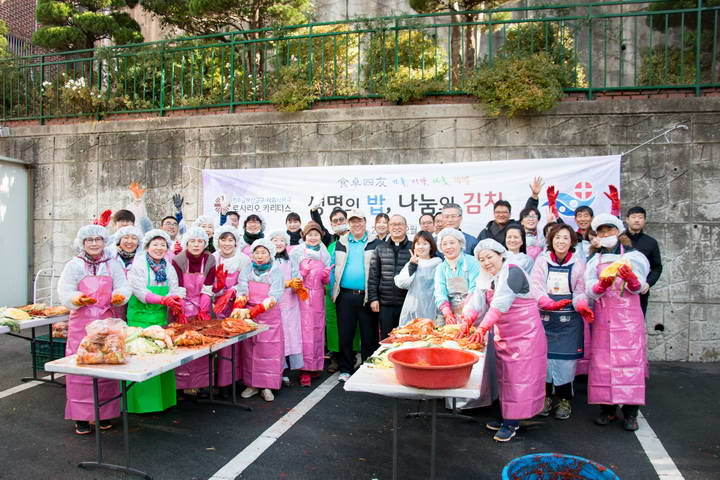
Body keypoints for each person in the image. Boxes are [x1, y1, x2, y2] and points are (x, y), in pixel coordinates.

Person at [459, 239, 547, 442]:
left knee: (519, 378)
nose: (486, 262)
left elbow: (500, 303)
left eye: (489, 257)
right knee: (505, 377)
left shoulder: (513, 270)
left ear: (501, 254)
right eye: (481, 259)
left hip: (525, 335)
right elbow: (477, 301)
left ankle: (512, 422)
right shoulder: (487, 277)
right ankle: (507, 415)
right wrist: (467, 319)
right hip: (504, 334)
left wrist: (482, 327)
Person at [57, 225, 130, 435]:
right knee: (80, 369)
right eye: (89, 240)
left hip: (107, 322)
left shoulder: (113, 264)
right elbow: (65, 290)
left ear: (104, 241)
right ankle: (81, 416)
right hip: (81, 323)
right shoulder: (74, 265)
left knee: (107, 366)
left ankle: (104, 414)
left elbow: (123, 286)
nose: (94, 243)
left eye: (98, 239)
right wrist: (76, 299)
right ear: (82, 243)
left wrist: (119, 296)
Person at [585, 213, 650, 431]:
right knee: (604, 365)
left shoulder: (634, 257)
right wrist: (600, 286)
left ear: (618, 231)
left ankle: (631, 413)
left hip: (629, 321)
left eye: (609, 230)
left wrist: (631, 278)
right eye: (601, 232)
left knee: (630, 365)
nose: (605, 235)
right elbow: (589, 290)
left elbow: (640, 286)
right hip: (604, 319)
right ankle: (608, 410)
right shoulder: (594, 260)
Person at [530, 224, 593, 421]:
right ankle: (546, 397)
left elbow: (582, 289)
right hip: (546, 318)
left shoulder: (579, 263)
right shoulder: (541, 261)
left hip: (569, 319)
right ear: (551, 240)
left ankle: (564, 399)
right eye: (557, 237)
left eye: (565, 237)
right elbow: (536, 286)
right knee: (545, 361)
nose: (561, 241)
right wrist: (546, 302)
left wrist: (581, 304)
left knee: (566, 363)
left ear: (572, 241)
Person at [126, 229, 184, 413]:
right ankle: (140, 404)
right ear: (147, 246)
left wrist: (174, 301)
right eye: (155, 244)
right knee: (140, 357)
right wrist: (162, 300)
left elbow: (174, 288)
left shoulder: (168, 266)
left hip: (160, 317)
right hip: (140, 318)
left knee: (162, 358)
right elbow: (139, 291)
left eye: (162, 245)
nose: (159, 248)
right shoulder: (139, 265)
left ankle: (162, 401)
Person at [233, 239, 285, 402]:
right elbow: (242, 288)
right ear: (252, 254)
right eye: (256, 252)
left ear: (270, 254)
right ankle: (252, 384)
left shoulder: (276, 271)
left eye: (263, 252)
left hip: (269, 315)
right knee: (250, 350)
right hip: (249, 315)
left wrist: (258, 309)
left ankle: (268, 385)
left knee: (269, 351)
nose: (260, 256)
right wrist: (240, 304)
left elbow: (275, 295)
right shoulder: (248, 268)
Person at [332, 209, 378, 382]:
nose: (356, 224)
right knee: (345, 334)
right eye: (352, 221)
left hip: (367, 296)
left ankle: (367, 368)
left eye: (359, 221)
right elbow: (333, 267)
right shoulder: (341, 242)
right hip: (344, 296)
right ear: (348, 224)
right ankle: (345, 368)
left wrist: (375, 296)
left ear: (365, 222)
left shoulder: (375, 242)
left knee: (368, 335)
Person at [171, 226, 216, 393]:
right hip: (182, 303)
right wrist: (181, 310)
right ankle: (181, 385)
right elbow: (178, 286)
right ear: (186, 242)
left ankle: (200, 382)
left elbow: (208, 285)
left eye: (200, 241)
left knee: (201, 344)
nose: (196, 245)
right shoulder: (178, 259)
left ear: (205, 243)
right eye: (192, 241)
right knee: (183, 344)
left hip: (201, 307)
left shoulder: (210, 259)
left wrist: (204, 307)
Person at [291, 222, 332, 387]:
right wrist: (301, 273)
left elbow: (327, 277)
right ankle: (304, 370)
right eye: (310, 234)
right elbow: (292, 275)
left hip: (318, 298)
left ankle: (315, 366)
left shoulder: (324, 252)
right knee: (303, 334)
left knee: (317, 332)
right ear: (304, 236)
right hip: (302, 297)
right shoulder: (296, 252)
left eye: (316, 234)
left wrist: (326, 276)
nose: (313, 237)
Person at [211, 225, 250, 390]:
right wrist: (217, 289)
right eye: (223, 239)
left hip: (236, 307)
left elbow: (246, 283)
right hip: (217, 306)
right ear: (217, 241)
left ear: (236, 242)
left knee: (236, 342)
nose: (226, 243)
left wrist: (233, 291)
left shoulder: (243, 259)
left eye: (230, 240)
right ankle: (219, 382)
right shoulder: (212, 258)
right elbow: (207, 283)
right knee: (219, 342)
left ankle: (235, 379)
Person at [368, 215, 412, 339]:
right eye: (393, 224)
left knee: (407, 339)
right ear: (388, 227)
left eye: (400, 224)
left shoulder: (414, 248)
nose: (396, 227)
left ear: (406, 227)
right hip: (385, 304)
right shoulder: (380, 248)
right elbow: (373, 276)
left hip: (407, 303)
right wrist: (373, 299)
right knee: (387, 339)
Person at [269, 231, 304, 386]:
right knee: (275, 337)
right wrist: (285, 283)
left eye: (281, 240)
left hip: (290, 303)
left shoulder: (291, 260)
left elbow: (298, 277)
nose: (278, 243)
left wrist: (297, 284)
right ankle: (275, 370)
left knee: (289, 336)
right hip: (272, 304)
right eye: (275, 240)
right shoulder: (267, 260)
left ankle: (285, 370)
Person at [433, 228, 481, 325]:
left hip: (473, 311)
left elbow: (475, 287)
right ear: (440, 248)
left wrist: (467, 305)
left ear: (460, 244)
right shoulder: (441, 268)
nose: (448, 247)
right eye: (445, 244)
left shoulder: (472, 262)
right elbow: (440, 291)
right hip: (451, 314)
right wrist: (447, 312)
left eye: (452, 243)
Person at [476, 177, 543, 244]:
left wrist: (534, 196)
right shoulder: (485, 232)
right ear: (494, 214)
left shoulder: (517, 226)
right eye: (498, 212)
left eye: (504, 212)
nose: (501, 215)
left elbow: (527, 212)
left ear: (510, 214)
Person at [395, 231, 441, 326]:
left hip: (433, 309)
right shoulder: (413, 262)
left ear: (431, 246)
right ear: (414, 247)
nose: (421, 247)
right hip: (412, 309)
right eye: (418, 243)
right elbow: (401, 283)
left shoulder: (438, 263)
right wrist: (412, 266)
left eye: (425, 243)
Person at [625, 206, 663, 316]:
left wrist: (648, 283)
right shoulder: (618, 239)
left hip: (641, 290)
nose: (637, 220)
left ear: (644, 220)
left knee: (638, 322)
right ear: (627, 219)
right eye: (634, 217)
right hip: (619, 291)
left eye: (640, 217)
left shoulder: (651, 242)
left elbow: (657, 267)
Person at [110, 225, 142, 319]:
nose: (129, 241)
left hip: (136, 304)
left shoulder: (143, 258)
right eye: (126, 237)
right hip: (113, 304)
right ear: (119, 240)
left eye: (134, 238)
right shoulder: (110, 255)